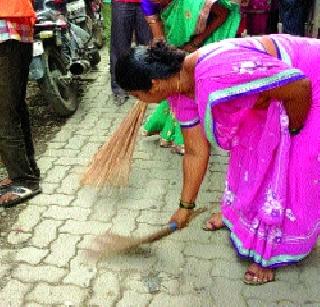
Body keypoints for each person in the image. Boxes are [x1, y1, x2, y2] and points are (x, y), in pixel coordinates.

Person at [115, 35, 320, 285]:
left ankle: (273, 253)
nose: (140, 103)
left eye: (137, 95)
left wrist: (294, 130)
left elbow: (300, 86)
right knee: (250, 155)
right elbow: (195, 151)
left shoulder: (214, 74)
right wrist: (184, 208)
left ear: (154, 84)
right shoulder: (180, 89)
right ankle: (236, 217)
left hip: (308, 79)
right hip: (278, 91)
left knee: (289, 164)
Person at [141, 0, 240, 154]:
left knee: (191, 88)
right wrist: (164, 58)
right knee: (175, 83)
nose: (158, 2)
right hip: (177, 45)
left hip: (205, 42)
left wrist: (197, 41)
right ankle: (175, 130)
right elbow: (159, 38)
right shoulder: (147, 3)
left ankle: (194, 136)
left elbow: (223, 14)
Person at [0, 0, 41, 206]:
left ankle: (24, 180)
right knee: (14, 106)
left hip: (6, 28)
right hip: (16, 26)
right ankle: (27, 170)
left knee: (5, 113)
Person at [110, 0, 151, 105]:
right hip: (121, 2)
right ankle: (119, 87)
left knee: (146, 45)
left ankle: (144, 83)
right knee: (120, 45)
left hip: (146, 2)